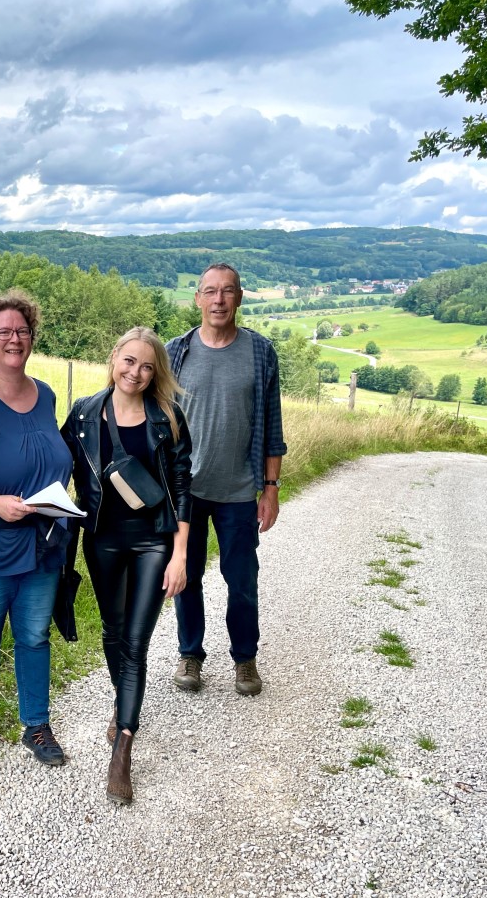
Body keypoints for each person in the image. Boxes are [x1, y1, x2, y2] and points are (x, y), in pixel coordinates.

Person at [62, 327, 192, 805]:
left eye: (146, 367)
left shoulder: (168, 418)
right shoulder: (83, 414)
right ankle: (123, 706)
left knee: (135, 641)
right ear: (114, 357)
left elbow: (182, 491)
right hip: (102, 540)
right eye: (129, 361)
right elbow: (61, 466)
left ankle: (123, 748)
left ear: (156, 373)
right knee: (113, 633)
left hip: (154, 542)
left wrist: (179, 555)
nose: (135, 373)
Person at [0, 290, 73, 767]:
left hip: (44, 544)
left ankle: (36, 725)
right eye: (2, 332)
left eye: (22, 331)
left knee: (33, 634)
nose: (14, 339)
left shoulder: (45, 394)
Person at [164, 262, 286, 697]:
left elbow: (272, 427)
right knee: (187, 575)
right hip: (185, 492)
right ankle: (191, 654)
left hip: (238, 491)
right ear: (197, 298)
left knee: (242, 579)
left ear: (239, 297)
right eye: (210, 291)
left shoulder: (259, 352)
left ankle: (245, 659)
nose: (219, 300)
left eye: (228, 291)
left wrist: (270, 489)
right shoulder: (174, 352)